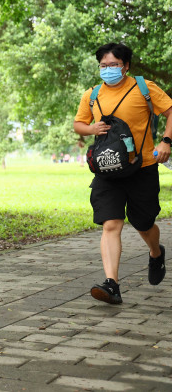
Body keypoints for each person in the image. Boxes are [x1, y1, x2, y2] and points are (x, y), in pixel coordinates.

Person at [73, 42, 172, 304]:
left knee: (143, 222)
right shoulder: (91, 95)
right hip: (107, 169)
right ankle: (112, 284)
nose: (108, 70)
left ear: (125, 66)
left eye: (114, 65)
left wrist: (166, 142)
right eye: (103, 66)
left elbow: (171, 111)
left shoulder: (144, 87)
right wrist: (90, 129)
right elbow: (78, 124)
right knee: (111, 223)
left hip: (142, 169)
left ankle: (155, 252)